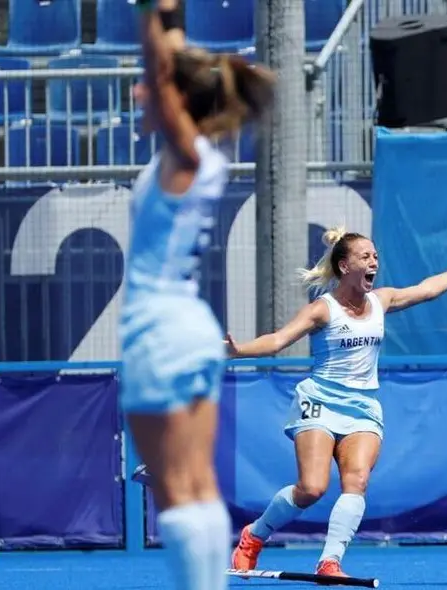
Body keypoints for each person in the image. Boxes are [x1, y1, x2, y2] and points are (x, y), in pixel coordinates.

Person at [119, 2, 275, 589]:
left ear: (176, 100)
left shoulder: (185, 158)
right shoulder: (203, 157)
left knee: (175, 488)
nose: (139, 93)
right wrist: (168, 12)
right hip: (191, 328)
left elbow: (162, 72)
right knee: (198, 483)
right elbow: (173, 67)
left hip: (157, 328)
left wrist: (144, 18)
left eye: (149, 87)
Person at [228, 229, 447, 578]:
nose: (373, 262)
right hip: (320, 400)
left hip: (363, 407)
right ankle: (254, 536)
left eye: (375, 257)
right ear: (344, 264)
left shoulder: (382, 300)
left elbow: (426, 290)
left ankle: (330, 562)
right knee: (312, 488)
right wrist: (239, 350)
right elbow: (278, 340)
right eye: (365, 257)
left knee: (357, 481)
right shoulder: (323, 309)